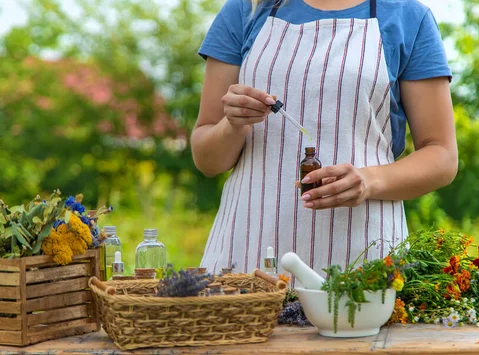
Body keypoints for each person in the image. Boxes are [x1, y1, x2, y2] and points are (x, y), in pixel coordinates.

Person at [191, 0, 458, 279]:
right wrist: (232, 125)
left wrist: (368, 180)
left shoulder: (407, 18)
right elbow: (208, 161)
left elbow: (442, 155)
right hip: (247, 256)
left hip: (361, 263)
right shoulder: (246, 10)